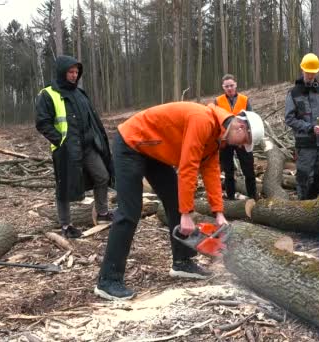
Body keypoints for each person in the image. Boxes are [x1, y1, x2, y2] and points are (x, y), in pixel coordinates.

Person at [94, 102, 264, 301]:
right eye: (245, 141)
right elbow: (188, 167)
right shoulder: (203, 120)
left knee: (175, 201)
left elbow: (210, 171)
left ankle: (182, 262)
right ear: (241, 127)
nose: (242, 146)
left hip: (154, 150)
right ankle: (108, 280)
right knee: (130, 210)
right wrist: (186, 214)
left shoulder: (217, 137)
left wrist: (219, 213)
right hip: (133, 142)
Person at [35, 55, 113, 239]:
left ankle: (102, 213)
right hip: (65, 149)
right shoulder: (47, 94)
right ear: (62, 72)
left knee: (103, 176)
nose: (74, 75)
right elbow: (42, 123)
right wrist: (60, 141)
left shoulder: (80, 93)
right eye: (70, 72)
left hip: (87, 146)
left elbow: (91, 118)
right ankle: (66, 225)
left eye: (76, 72)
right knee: (64, 186)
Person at [285, 53, 319, 200]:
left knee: (317, 175)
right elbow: (289, 118)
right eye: (308, 72)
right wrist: (309, 127)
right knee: (304, 175)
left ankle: (313, 206)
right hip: (305, 142)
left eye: (313, 73)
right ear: (302, 70)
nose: (311, 76)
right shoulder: (294, 92)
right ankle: (302, 204)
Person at [215, 74, 257, 200]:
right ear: (223, 87)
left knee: (248, 169)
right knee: (228, 172)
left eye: (231, 85)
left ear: (236, 85)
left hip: (242, 140)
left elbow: (251, 118)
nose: (229, 88)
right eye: (226, 86)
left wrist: (248, 136)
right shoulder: (218, 101)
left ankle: (252, 196)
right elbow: (214, 119)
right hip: (225, 140)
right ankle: (231, 197)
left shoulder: (244, 99)